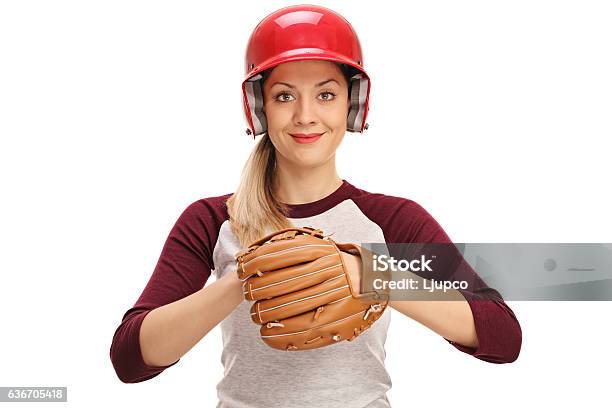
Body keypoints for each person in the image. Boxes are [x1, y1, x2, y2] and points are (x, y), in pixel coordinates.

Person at [110, 5, 522, 407]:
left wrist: (369, 274)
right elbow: (130, 358)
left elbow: (503, 336)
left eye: (326, 94)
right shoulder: (213, 220)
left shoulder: (392, 220)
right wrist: (249, 278)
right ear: (260, 108)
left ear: (351, 104)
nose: (306, 116)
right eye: (284, 95)